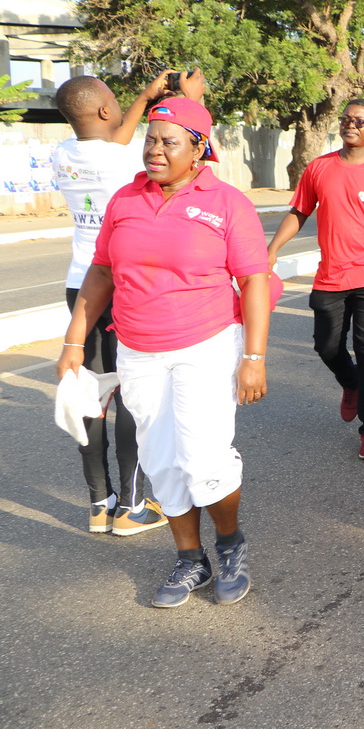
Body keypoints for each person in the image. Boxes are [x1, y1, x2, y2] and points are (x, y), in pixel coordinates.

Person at [56, 97, 272, 608]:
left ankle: (230, 545)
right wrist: (73, 341)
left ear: (198, 149)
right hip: (138, 352)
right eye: (150, 139)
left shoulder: (227, 203)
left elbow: (254, 281)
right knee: (161, 461)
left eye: (168, 141)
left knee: (204, 459)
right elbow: (102, 272)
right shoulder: (125, 200)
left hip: (207, 345)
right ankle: (190, 558)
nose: (154, 149)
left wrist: (254, 358)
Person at [50, 72, 189, 537]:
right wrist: (183, 100)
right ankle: (132, 506)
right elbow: (169, 146)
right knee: (133, 390)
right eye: (115, 100)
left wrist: (144, 96)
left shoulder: (62, 154)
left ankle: (99, 503)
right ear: (106, 111)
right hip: (122, 282)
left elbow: (115, 134)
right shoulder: (128, 158)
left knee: (91, 392)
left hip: (80, 284)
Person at [267, 99, 364, 461]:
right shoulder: (319, 168)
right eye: (346, 119)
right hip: (330, 275)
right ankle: (351, 382)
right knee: (326, 346)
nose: (351, 125)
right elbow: (299, 211)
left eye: (360, 121)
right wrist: (272, 249)